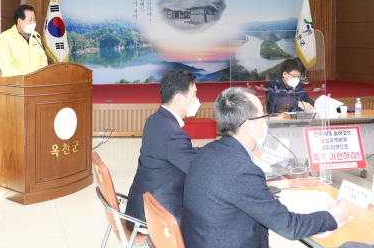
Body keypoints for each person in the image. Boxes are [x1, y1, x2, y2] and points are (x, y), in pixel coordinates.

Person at [181, 87, 348, 248]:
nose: (266, 121)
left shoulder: (207, 151)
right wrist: (332, 216)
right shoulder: (242, 171)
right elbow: (290, 227)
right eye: (262, 116)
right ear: (248, 126)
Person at [125, 70, 201, 227]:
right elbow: (198, 171)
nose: (197, 100)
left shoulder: (155, 119)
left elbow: (184, 153)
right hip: (156, 214)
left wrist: (213, 151)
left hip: (141, 205)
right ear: (179, 99)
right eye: (194, 94)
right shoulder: (173, 133)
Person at [0, 5, 48, 77]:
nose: (33, 23)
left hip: (36, 81)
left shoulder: (36, 36)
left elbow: (43, 59)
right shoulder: (5, 37)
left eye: (34, 20)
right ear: (20, 21)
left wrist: (39, 76)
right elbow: (6, 66)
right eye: (30, 20)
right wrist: (25, 78)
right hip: (16, 82)